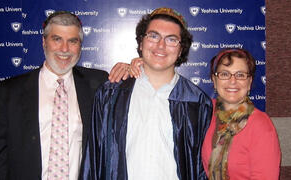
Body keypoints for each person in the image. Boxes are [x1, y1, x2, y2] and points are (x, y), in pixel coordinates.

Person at [80, 7, 212, 180]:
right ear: (141, 43)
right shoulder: (111, 94)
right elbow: (94, 158)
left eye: (171, 39)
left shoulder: (197, 102)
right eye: (153, 36)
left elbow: (201, 168)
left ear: (181, 50)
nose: (161, 46)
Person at [0, 11, 109, 180]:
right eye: (57, 39)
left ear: (80, 45)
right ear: (44, 41)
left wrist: (135, 66)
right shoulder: (9, 91)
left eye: (72, 41)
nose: (65, 49)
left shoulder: (98, 83)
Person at [201, 48, 281, 179]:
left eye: (240, 75)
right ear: (214, 81)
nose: (233, 81)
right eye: (225, 74)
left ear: (249, 82)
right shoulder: (206, 113)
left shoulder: (260, 125)